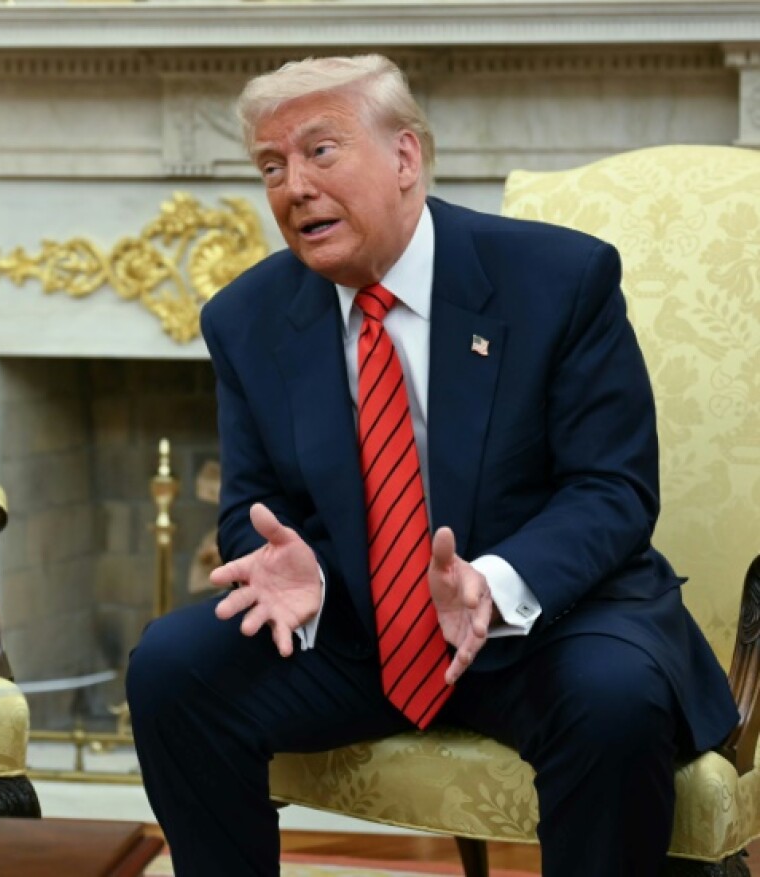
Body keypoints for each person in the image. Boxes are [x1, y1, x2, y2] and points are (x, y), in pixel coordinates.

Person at [126, 54, 737, 876]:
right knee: (172, 667)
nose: (293, 186)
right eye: (271, 166)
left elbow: (613, 488)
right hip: (358, 626)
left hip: (544, 624)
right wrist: (297, 573)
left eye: (320, 151)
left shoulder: (558, 278)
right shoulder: (246, 317)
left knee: (614, 699)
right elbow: (254, 505)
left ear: (405, 157)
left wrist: (494, 580)